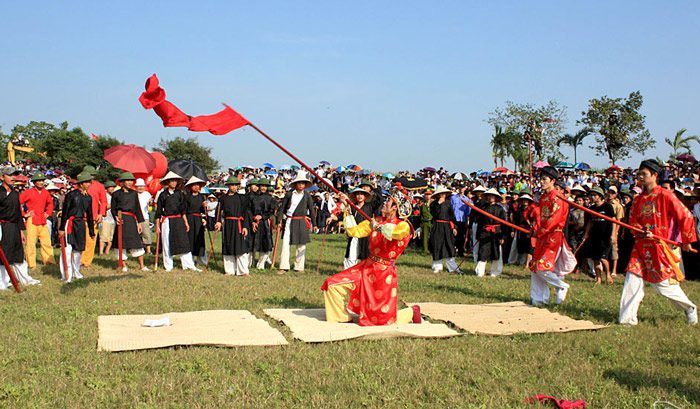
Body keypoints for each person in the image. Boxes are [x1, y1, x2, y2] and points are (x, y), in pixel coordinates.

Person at [321, 187, 421, 326]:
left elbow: (396, 234)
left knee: (382, 320)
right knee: (332, 284)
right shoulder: (376, 220)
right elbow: (354, 231)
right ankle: (341, 318)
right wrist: (347, 205)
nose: (385, 203)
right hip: (366, 267)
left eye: (388, 202)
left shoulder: (403, 225)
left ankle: (412, 312)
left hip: (383, 274)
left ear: (395, 209)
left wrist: (378, 227)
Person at [619, 159, 698, 326]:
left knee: (662, 285)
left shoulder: (665, 195)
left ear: (654, 175)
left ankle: (689, 308)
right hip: (640, 246)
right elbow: (632, 220)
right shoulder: (638, 199)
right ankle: (627, 319)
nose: (640, 177)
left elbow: (685, 215)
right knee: (632, 279)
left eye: (644, 174)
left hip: (657, 246)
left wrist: (686, 240)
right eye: (639, 174)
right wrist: (639, 229)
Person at [530, 166, 577, 305]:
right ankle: (539, 299)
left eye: (544, 179)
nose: (541, 182)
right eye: (541, 179)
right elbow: (541, 218)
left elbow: (554, 220)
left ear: (552, 181)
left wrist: (541, 230)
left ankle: (561, 286)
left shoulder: (557, 198)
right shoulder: (543, 198)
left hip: (552, 236)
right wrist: (535, 228)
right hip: (542, 235)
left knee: (542, 267)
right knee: (534, 268)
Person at [0, 166, 40, 289]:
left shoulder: (16, 193)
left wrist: (21, 231)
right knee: (4, 254)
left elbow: (18, 213)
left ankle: (24, 278)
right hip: (2, 226)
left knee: (18, 253)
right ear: (2, 177)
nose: (13, 177)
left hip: (14, 226)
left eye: (14, 175)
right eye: (10, 175)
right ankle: (2, 282)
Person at [155, 172, 198, 272]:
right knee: (166, 242)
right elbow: (158, 212)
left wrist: (186, 223)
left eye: (175, 181)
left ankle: (188, 265)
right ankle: (168, 265)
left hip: (178, 220)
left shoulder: (180, 194)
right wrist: (157, 226)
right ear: (167, 182)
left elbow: (183, 210)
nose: (174, 183)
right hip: (167, 220)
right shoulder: (163, 195)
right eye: (171, 180)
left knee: (183, 241)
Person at [58, 173, 95, 283]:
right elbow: (65, 211)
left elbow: (89, 214)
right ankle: (66, 274)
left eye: (89, 182)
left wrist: (92, 231)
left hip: (80, 224)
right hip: (70, 222)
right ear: (81, 184)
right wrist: (61, 228)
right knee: (67, 249)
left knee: (79, 249)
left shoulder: (88, 197)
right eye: (87, 182)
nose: (89, 184)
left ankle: (77, 272)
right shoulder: (71, 195)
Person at [276, 171, 315, 274]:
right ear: (295, 184)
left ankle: (299, 266)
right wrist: (279, 220)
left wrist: (315, 224)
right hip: (289, 220)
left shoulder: (307, 196)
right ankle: (284, 266)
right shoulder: (289, 194)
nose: (301, 185)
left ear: (305, 185)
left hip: (302, 221)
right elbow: (282, 209)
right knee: (285, 243)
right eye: (299, 183)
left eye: (303, 183)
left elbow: (311, 210)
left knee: (301, 245)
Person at [111, 172, 149, 272]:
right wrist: (116, 218)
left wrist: (139, 222)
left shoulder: (134, 194)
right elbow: (113, 209)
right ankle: (123, 265)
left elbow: (137, 208)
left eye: (131, 180)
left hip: (131, 220)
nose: (129, 183)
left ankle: (142, 265)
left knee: (136, 241)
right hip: (121, 220)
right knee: (120, 242)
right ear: (122, 182)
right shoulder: (116, 194)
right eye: (127, 180)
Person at [215, 176, 252, 276]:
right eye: (232, 185)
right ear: (228, 186)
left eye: (236, 185)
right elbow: (218, 211)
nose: (234, 187)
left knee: (241, 247)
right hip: (228, 224)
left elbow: (245, 213)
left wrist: (245, 226)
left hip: (239, 224)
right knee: (228, 246)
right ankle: (229, 270)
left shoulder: (242, 198)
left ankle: (243, 271)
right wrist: (218, 221)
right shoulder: (223, 198)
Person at [20, 172, 55, 269]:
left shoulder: (46, 192)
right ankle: (31, 264)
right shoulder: (28, 192)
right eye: (39, 181)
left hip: (42, 220)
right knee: (31, 243)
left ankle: (49, 261)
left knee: (46, 242)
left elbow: (50, 204)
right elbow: (17, 202)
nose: (41, 182)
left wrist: (48, 213)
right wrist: (24, 214)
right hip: (32, 220)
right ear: (34, 182)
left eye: (42, 180)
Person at [581, 187, 615, 284]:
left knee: (603, 258)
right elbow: (590, 223)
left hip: (605, 236)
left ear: (600, 196)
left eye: (594, 195)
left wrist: (613, 235)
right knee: (596, 258)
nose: (592, 197)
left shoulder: (607, 207)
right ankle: (598, 278)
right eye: (591, 195)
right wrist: (586, 234)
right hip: (594, 236)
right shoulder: (591, 209)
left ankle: (608, 274)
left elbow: (614, 221)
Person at [335, 187, 374, 269]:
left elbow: (380, 200)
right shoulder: (352, 207)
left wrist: (375, 187)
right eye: (357, 194)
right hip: (354, 234)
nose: (359, 196)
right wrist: (332, 217)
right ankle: (349, 274)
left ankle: (365, 274)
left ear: (365, 196)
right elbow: (345, 216)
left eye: (362, 194)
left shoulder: (370, 206)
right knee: (351, 255)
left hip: (365, 235)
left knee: (366, 256)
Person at [474, 188, 506, 277]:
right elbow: (480, 222)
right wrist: (479, 234)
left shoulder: (500, 209)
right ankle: (480, 272)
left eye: (493, 196)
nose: (491, 197)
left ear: (496, 198)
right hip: (485, 232)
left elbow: (504, 223)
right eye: (489, 196)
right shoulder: (483, 208)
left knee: (496, 252)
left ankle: (495, 272)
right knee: (483, 251)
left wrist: (502, 236)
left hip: (496, 233)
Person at [429, 186, 460, 274]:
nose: (443, 195)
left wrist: (454, 227)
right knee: (437, 244)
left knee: (449, 245)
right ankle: (437, 266)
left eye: (444, 193)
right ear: (438, 195)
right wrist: (438, 204)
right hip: (437, 225)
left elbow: (452, 216)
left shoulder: (448, 203)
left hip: (447, 226)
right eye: (441, 194)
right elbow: (434, 214)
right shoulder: (434, 204)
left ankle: (452, 267)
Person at [80, 165, 107, 267]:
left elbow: (103, 202)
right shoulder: (78, 185)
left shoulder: (99, 186)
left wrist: (101, 214)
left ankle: (86, 261)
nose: (91, 177)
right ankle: (79, 259)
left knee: (91, 240)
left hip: (94, 218)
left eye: (92, 175)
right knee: (80, 239)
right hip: (80, 217)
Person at [184, 176, 208, 267]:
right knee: (190, 238)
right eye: (194, 185)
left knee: (199, 238)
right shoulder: (187, 197)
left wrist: (204, 206)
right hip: (190, 218)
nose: (196, 187)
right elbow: (184, 210)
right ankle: (189, 260)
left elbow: (203, 211)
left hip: (198, 219)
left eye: (198, 185)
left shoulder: (202, 197)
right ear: (190, 187)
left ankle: (201, 259)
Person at [252, 179, 275, 269]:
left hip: (265, 223)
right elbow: (249, 210)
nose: (263, 188)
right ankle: (251, 262)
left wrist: (262, 217)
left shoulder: (271, 199)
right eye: (262, 186)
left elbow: (271, 211)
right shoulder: (253, 198)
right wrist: (253, 219)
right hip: (254, 223)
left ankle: (261, 264)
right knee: (253, 243)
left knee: (266, 244)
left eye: (265, 186)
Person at [508, 193, 535, 266]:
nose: (524, 202)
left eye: (526, 200)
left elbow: (534, 219)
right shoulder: (519, 210)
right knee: (519, 245)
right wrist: (513, 230)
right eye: (523, 200)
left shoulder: (532, 210)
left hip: (528, 229)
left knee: (528, 246)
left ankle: (526, 262)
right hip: (519, 229)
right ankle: (519, 261)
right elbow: (515, 220)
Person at [607, 186, 625, 277]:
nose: (610, 194)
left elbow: (618, 221)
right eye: (609, 192)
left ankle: (614, 270)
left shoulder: (618, 206)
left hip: (613, 230)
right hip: (605, 229)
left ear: (616, 194)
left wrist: (615, 233)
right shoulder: (605, 203)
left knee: (614, 251)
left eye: (612, 192)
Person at [451, 183, 470, 257]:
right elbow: (451, 209)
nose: (461, 189)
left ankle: (460, 252)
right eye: (460, 188)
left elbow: (467, 212)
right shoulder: (453, 198)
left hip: (462, 220)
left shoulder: (466, 199)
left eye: (463, 188)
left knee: (461, 237)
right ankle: (453, 251)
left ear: (465, 189)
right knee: (453, 236)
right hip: (455, 219)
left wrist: (467, 221)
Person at [135, 178, 153, 254]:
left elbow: (150, 205)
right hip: (135, 217)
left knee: (146, 233)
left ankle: (148, 250)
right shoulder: (134, 194)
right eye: (139, 186)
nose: (140, 188)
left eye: (142, 186)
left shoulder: (147, 194)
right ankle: (137, 248)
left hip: (145, 217)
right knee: (136, 233)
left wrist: (150, 202)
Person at [99, 181, 116, 255]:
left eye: (113, 187)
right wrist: (112, 205)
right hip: (105, 219)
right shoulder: (105, 196)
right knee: (103, 237)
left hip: (112, 219)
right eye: (110, 187)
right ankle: (100, 252)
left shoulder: (113, 196)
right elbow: (103, 207)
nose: (112, 188)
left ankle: (107, 251)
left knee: (110, 238)